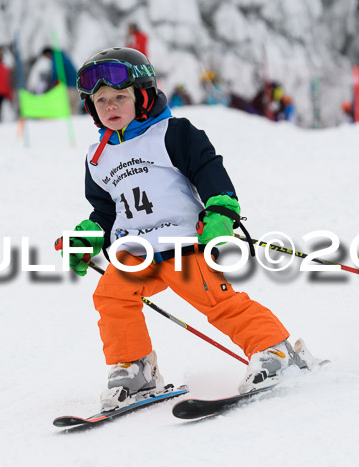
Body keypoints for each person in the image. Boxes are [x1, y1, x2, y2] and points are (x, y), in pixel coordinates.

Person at [56, 47, 317, 411]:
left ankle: (273, 349)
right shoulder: (97, 157)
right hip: (135, 251)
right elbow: (105, 209)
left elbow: (208, 170)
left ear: (143, 96)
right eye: (101, 100)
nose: (110, 106)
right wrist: (88, 235)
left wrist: (221, 210)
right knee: (111, 296)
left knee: (218, 303)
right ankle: (136, 369)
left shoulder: (173, 134)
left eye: (119, 97)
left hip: (183, 243)